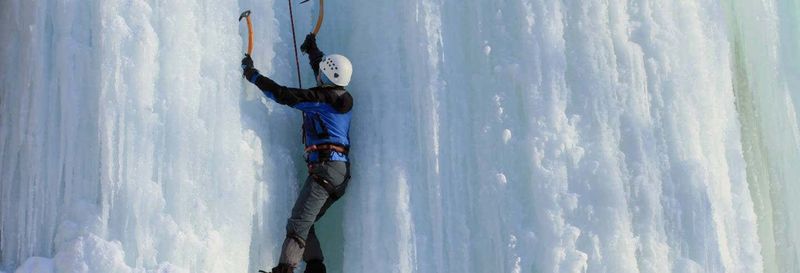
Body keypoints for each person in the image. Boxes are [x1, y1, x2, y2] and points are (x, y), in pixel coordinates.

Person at [243, 33, 353, 273]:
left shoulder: (323, 99)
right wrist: (312, 49)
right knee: (306, 222)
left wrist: (253, 76)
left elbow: (284, 95)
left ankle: (285, 269)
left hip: (326, 171)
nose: (320, 76)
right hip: (337, 174)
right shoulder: (337, 96)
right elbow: (323, 70)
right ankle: (315, 269)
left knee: (298, 225)